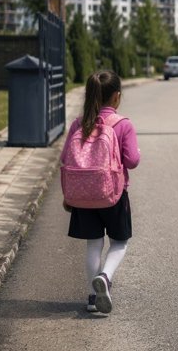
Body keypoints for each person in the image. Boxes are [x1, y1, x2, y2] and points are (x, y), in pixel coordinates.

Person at [61, 71, 140, 313]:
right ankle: (105, 277)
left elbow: (65, 158)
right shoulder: (123, 124)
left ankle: (94, 298)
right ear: (116, 97)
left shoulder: (79, 123)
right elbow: (132, 160)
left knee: (93, 244)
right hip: (113, 195)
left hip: (84, 197)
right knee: (119, 242)